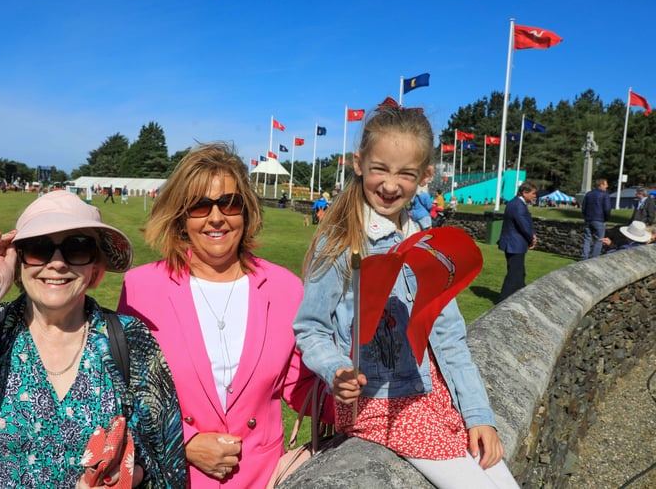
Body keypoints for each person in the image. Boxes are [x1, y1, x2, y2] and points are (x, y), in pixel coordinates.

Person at [293, 103, 518, 488]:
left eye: (406, 174)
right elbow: (310, 328)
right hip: (376, 405)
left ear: (426, 176)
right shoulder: (340, 241)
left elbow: (449, 337)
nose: (390, 184)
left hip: (433, 398)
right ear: (359, 163)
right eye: (380, 168)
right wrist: (336, 370)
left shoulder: (427, 244)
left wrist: (478, 414)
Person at [0, 191, 186, 488]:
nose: (57, 263)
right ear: (19, 260)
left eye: (77, 248)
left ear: (95, 270)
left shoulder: (129, 338)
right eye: (39, 248)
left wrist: (130, 474)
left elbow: (163, 460)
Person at [117, 143, 325, 488]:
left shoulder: (286, 288)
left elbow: (299, 384)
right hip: (176, 477)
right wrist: (183, 441)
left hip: (263, 478)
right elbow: (126, 389)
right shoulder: (141, 287)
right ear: (181, 215)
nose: (216, 217)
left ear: (246, 210)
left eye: (229, 203)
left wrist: (357, 392)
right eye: (199, 205)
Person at [497, 181, 538, 302]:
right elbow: (523, 224)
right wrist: (531, 238)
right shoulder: (518, 205)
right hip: (515, 244)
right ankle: (503, 300)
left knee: (519, 273)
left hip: (514, 243)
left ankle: (521, 297)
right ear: (525, 193)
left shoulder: (514, 203)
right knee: (514, 274)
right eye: (533, 193)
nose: (534, 196)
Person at [581, 179, 611, 259]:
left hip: (588, 219)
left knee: (587, 238)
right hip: (599, 219)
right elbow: (607, 209)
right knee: (599, 239)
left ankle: (584, 257)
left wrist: (586, 216)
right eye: (605, 184)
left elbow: (583, 207)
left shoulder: (588, 194)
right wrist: (607, 218)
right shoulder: (605, 195)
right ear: (601, 185)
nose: (607, 186)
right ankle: (594, 258)